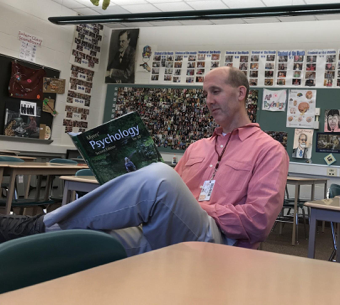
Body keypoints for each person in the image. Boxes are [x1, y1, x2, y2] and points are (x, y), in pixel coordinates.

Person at [0, 67, 289, 255]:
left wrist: (196, 207)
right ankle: (24, 247)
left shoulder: (270, 150)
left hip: (223, 244)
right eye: (205, 94)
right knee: (96, 243)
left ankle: (36, 224)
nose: (209, 100)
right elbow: (160, 201)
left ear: (241, 94)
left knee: (159, 178)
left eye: (216, 91)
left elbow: (258, 222)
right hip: (166, 230)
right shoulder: (197, 148)